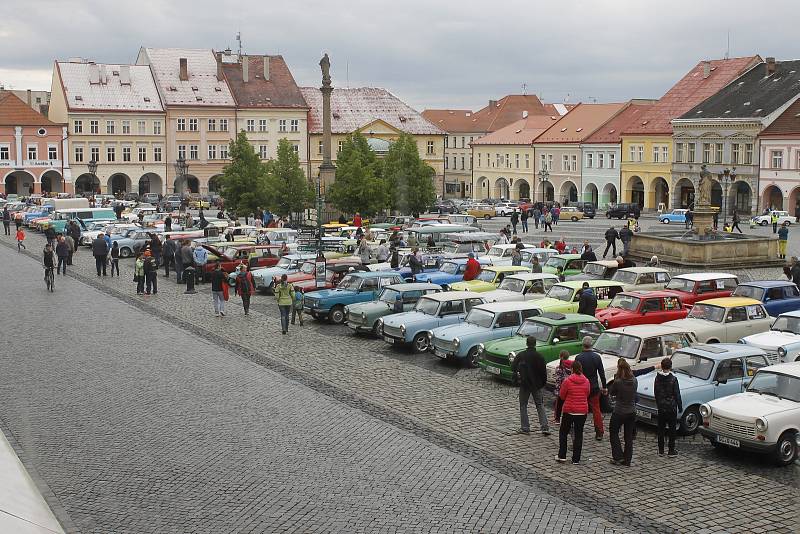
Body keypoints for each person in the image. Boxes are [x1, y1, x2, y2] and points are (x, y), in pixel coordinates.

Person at [511, 336, 550, 436]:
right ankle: (545, 427)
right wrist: (542, 384)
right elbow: (543, 373)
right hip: (536, 385)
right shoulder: (539, 356)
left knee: (523, 405)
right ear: (535, 344)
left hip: (524, 384)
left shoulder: (521, 355)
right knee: (540, 405)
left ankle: (525, 427)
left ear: (527, 343)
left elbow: (513, 367)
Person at [556, 360, 590, 464]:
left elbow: (562, 395)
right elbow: (587, 394)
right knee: (579, 434)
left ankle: (562, 455)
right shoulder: (586, 381)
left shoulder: (567, 381)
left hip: (569, 410)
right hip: (582, 411)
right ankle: (576, 459)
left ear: (572, 369)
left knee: (563, 432)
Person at [574, 336, 607, 440]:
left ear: (583, 345)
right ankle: (599, 432)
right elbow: (601, 373)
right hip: (593, 387)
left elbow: (576, 373)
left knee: (580, 410)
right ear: (591, 344)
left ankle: (578, 430)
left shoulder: (579, 358)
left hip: (581, 387)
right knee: (596, 410)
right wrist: (605, 387)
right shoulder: (597, 357)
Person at [608, 359, 638, 466]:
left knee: (613, 431)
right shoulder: (634, 380)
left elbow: (612, 392)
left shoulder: (618, 381)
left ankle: (618, 456)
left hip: (620, 411)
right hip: (631, 411)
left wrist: (616, 378)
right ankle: (627, 459)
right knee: (628, 436)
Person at [654, 357, 682, 457]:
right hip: (671, 408)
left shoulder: (657, 378)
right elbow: (677, 394)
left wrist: (659, 404)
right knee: (672, 429)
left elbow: (656, 393)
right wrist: (680, 407)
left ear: (661, 366)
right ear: (670, 367)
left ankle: (661, 450)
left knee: (660, 429)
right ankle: (671, 450)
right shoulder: (673, 379)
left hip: (661, 407)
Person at [552, 350, 572, 424]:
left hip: (561, 388)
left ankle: (557, 419)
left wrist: (557, 390)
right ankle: (568, 419)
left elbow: (558, 379)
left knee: (559, 405)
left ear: (560, 356)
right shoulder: (572, 365)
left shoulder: (559, 367)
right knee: (568, 404)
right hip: (570, 389)